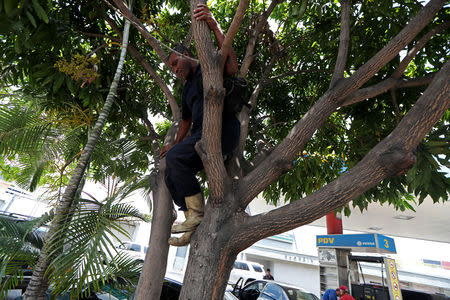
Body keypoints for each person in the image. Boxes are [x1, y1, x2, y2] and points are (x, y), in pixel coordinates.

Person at [161, 4, 240, 247]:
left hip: (223, 130)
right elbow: (185, 120)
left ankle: (195, 214)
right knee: (170, 170)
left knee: (175, 158)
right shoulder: (186, 89)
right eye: (171, 69)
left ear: (185, 53)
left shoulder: (209, 68)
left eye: (175, 63)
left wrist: (213, 24)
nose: (175, 70)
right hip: (198, 136)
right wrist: (174, 144)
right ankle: (190, 217)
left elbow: (232, 67)